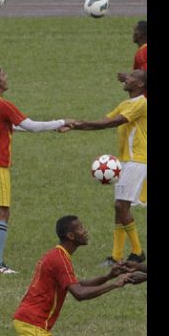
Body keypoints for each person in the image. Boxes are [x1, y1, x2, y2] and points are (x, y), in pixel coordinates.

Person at [0, 64, 70, 274]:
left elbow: (10, 127)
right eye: (3, 75)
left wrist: (54, 128)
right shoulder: (2, 105)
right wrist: (62, 121)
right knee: (3, 213)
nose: (7, 77)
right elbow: (31, 125)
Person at [60, 70, 147, 265]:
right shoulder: (126, 104)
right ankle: (116, 257)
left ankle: (138, 252)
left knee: (120, 205)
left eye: (132, 77)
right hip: (125, 161)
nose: (127, 79)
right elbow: (104, 121)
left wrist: (79, 123)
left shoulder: (141, 103)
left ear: (140, 84)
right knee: (119, 209)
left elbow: (113, 122)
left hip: (137, 160)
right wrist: (75, 125)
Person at [117, 21, 147, 206]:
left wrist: (129, 78)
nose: (132, 33)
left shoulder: (143, 51)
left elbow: (144, 78)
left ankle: (141, 197)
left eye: (134, 30)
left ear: (141, 33)